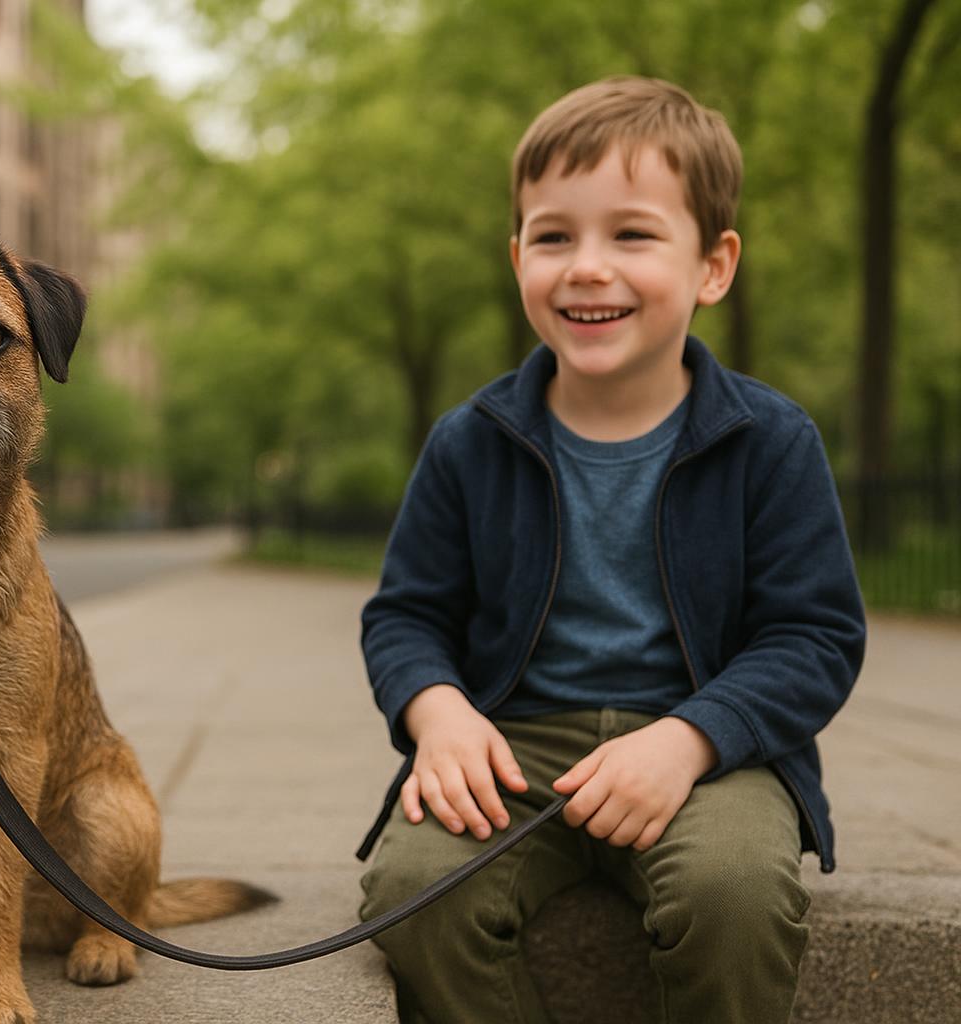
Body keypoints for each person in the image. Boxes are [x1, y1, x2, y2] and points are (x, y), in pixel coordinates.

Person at [356, 76, 865, 1024]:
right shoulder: (472, 440)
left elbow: (816, 636)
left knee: (732, 895)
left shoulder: (772, 440)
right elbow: (408, 615)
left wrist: (691, 737)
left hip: (707, 746)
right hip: (512, 743)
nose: (587, 266)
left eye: (632, 234)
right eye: (554, 236)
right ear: (518, 259)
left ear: (714, 266)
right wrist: (438, 714)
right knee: (412, 892)